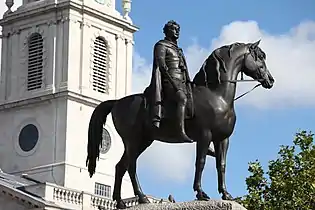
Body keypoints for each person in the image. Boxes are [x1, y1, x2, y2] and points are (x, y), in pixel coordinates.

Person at [148, 20, 194, 143]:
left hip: (182, 82)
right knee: (182, 99)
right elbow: (162, 65)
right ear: (167, 31)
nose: (177, 31)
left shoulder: (178, 50)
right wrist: (173, 84)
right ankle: (180, 132)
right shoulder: (161, 45)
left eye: (178, 29)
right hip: (169, 82)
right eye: (174, 29)